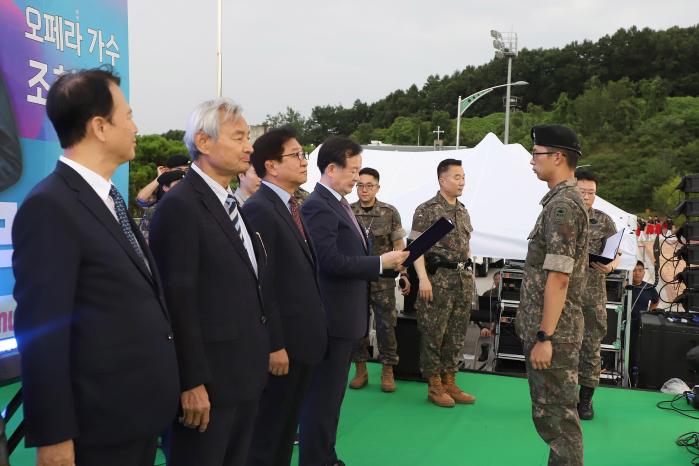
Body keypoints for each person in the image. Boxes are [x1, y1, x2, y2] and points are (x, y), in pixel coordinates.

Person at [12, 68, 179, 466]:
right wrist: (54, 438)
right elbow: (41, 331)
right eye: (129, 115)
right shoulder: (50, 205)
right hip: (96, 427)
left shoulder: (107, 199)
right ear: (100, 127)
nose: (137, 127)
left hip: (133, 416)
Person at [149, 98, 269, 466]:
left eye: (248, 137)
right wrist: (191, 382)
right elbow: (177, 301)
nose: (250, 147)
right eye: (239, 137)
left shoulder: (230, 202)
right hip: (208, 386)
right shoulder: (181, 206)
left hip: (242, 376)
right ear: (203, 142)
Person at [300, 136, 408, 466]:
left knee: (332, 399)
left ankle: (325, 455)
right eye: (354, 170)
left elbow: (350, 256)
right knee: (323, 400)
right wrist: (379, 263)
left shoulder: (339, 202)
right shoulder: (319, 204)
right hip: (332, 318)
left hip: (347, 315)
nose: (358, 178)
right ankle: (317, 458)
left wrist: (389, 267)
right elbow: (329, 261)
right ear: (331, 169)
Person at [242, 127, 327, 466]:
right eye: (296, 155)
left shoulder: (291, 205)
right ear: (271, 166)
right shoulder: (261, 209)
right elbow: (264, 283)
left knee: (284, 431)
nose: (304, 161)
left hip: (302, 343)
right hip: (283, 348)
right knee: (268, 435)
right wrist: (274, 344)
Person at [515, 124, 589, 466]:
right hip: (552, 329)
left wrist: (545, 336)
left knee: (558, 421)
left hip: (554, 333)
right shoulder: (562, 202)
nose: (532, 161)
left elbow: (559, 278)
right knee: (554, 419)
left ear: (558, 157)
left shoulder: (563, 207)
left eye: (536, 154)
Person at [411, 158, 477, 408]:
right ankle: (435, 385)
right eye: (456, 177)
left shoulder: (462, 210)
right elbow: (415, 249)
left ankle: (450, 380)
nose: (462, 182)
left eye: (463, 177)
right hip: (437, 279)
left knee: (456, 334)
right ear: (442, 179)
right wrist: (423, 279)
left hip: (461, 280)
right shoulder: (426, 209)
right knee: (433, 333)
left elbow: (466, 245)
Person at [348, 167, 410, 393]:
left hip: (382, 281)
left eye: (369, 186)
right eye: (360, 185)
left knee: (386, 326)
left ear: (378, 187)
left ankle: (387, 370)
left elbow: (399, 246)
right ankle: (360, 369)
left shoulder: (389, 212)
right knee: (358, 326)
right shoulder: (348, 211)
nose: (364, 190)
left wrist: (403, 273)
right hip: (356, 279)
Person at [575, 169, 621, 420]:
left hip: (592, 296)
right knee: (563, 348)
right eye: (582, 192)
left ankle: (585, 400)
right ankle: (562, 397)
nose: (587, 197)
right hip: (565, 295)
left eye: (591, 193)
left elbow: (616, 253)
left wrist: (611, 266)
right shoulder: (561, 216)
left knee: (591, 348)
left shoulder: (604, 221)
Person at [627, 260, 660, 383]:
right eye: (634, 270)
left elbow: (656, 301)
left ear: (644, 271)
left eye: (640, 270)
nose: (637, 273)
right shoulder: (626, 285)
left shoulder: (649, 287)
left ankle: (633, 376)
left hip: (639, 325)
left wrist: (649, 313)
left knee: (635, 352)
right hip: (625, 323)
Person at [138, 169, 186, 243]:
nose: (183, 187)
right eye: (178, 184)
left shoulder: (195, 207)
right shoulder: (155, 211)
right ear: (165, 188)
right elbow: (144, 240)